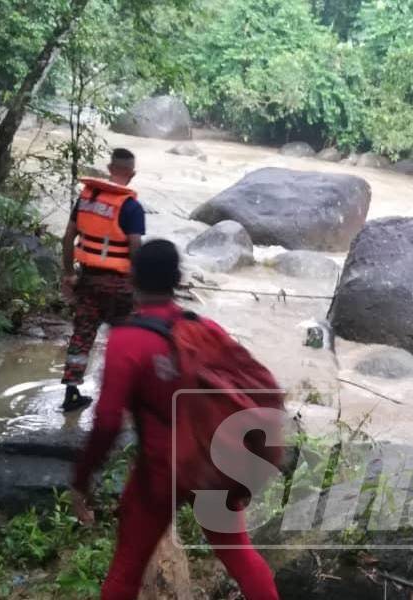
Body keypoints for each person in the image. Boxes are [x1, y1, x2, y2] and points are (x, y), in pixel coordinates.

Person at [70, 239, 279, 600]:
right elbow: (260, 386)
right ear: (178, 279)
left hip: (158, 475)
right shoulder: (203, 328)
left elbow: (106, 423)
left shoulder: (126, 341)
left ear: (132, 278)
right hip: (210, 465)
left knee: (126, 569)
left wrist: (82, 480)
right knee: (239, 556)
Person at [60, 148, 144, 412]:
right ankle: (125, 393)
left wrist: (68, 273)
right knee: (128, 338)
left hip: (88, 280)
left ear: (109, 168)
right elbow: (135, 249)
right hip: (120, 287)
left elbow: (67, 239)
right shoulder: (131, 206)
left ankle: (71, 393)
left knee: (82, 336)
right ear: (131, 174)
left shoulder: (85, 199)